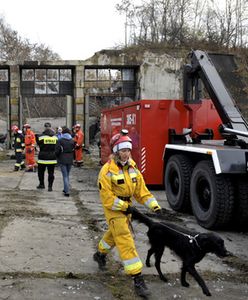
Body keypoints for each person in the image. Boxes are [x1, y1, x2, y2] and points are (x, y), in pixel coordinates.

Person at [93, 129, 162, 298]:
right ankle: (137, 278)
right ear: (116, 151)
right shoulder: (107, 171)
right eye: (123, 150)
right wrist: (125, 207)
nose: (126, 153)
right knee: (125, 239)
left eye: (128, 150)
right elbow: (107, 198)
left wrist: (155, 206)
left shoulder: (133, 167)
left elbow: (141, 192)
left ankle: (99, 254)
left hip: (127, 209)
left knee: (113, 235)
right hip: (114, 210)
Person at [36, 122, 58, 191]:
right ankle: (50, 187)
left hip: (42, 157)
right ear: (51, 127)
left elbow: (38, 143)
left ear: (45, 127)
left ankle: (41, 184)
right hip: (52, 158)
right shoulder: (55, 137)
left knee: (41, 172)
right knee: (51, 173)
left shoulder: (41, 137)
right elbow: (57, 147)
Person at [55, 127, 74, 197]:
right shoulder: (72, 141)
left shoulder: (60, 140)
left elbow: (57, 151)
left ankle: (67, 191)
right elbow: (74, 150)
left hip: (62, 159)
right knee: (67, 175)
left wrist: (57, 157)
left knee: (65, 176)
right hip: (70, 159)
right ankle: (65, 188)